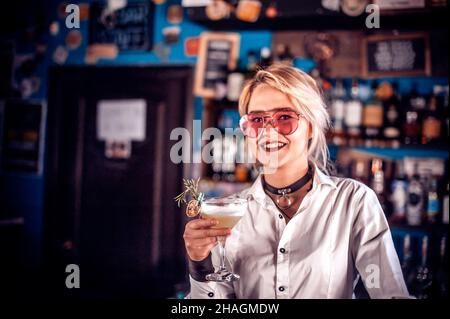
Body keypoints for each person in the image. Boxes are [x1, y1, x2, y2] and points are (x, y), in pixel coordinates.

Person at [183, 63, 409, 299]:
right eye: (258, 120)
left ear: (311, 126)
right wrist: (199, 264)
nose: (269, 132)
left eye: (284, 118)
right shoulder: (229, 212)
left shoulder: (353, 202)